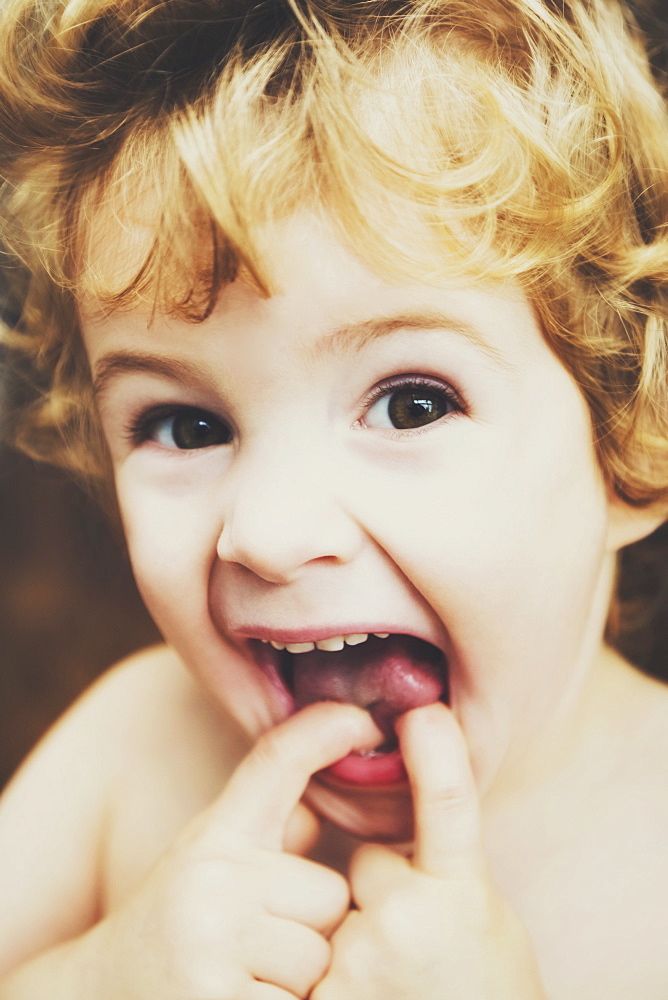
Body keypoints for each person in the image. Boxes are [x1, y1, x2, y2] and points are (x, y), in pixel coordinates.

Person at [1, 0, 667, 997]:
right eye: (186, 425)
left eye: (408, 404)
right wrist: (90, 979)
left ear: (629, 441)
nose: (264, 534)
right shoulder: (132, 744)